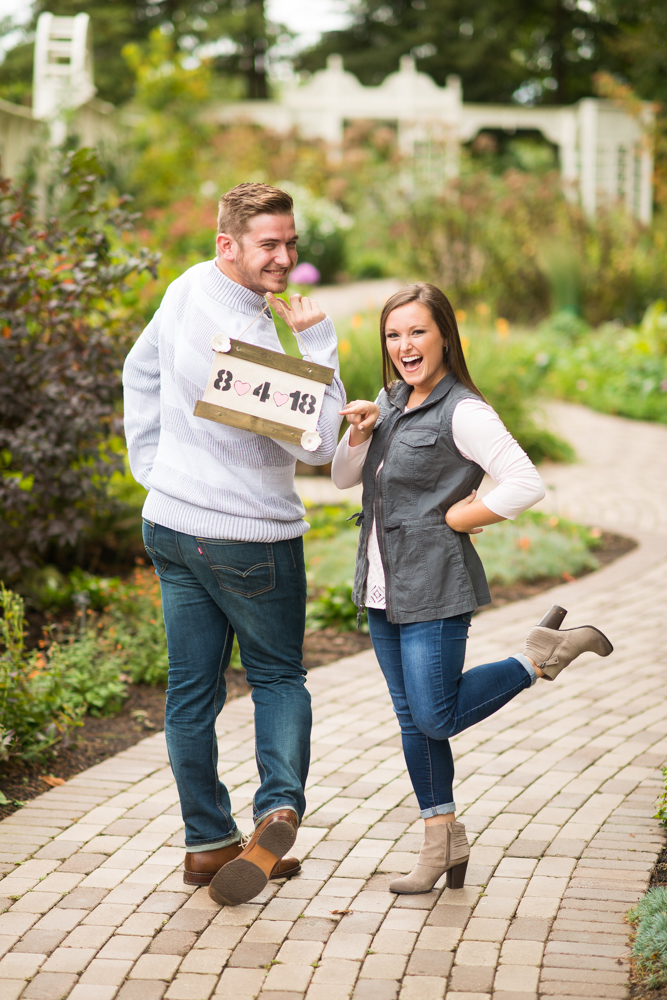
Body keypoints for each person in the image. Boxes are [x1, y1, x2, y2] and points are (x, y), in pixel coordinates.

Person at [331, 282, 613, 894]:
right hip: (381, 585)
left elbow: (524, 481)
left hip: (434, 584)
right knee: (414, 721)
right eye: (393, 335)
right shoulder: (391, 400)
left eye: (417, 332)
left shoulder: (464, 411)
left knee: (433, 714)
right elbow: (343, 478)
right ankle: (443, 842)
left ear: (444, 337)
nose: (404, 346)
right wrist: (359, 433)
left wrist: (462, 516)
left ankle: (536, 657)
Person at [123, 182, 345, 906]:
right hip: (249, 535)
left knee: (191, 692)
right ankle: (275, 813)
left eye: (290, 243)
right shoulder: (243, 345)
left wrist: (153, 470)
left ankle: (205, 843)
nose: (284, 258)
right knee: (278, 678)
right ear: (228, 244)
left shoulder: (188, 288)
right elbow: (323, 442)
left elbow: (139, 370)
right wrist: (315, 341)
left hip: (172, 525)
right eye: (268, 246)